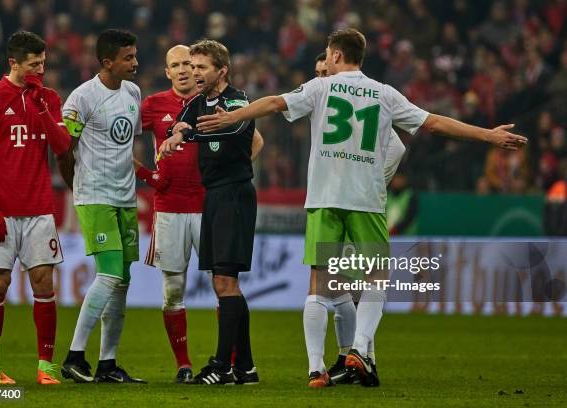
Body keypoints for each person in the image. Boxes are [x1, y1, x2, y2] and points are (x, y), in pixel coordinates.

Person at [194, 28, 527, 387]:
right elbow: (434, 124)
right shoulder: (384, 93)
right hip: (366, 199)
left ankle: (315, 367)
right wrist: (487, 135)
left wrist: (232, 116)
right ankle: (361, 347)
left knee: (320, 284)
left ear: (336, 55)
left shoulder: (320, 87)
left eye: (327, 52)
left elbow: (275, 103)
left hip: (324, 198)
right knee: (375, 279)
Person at [135, 45, 264, 383]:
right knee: (226, 283)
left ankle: (222, 367)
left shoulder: (238, 100)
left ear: (221, 70)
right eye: (190, 66)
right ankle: (245, 368)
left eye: (201, 67)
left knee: (224, 282)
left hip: (234, 195)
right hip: (215, 198)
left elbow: (234, 129)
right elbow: (180, 124)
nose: (193, 73)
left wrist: (188, 134)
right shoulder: (196, 102)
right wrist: (174, 136)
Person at [0, 31, 70, 385]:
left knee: (44, 284)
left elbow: (61, 146)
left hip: (39, 206)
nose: (40, 70)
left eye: (43, 63)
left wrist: (41, 106)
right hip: (2, 209)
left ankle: (46, 366)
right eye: (33, 65)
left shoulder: (50, 99)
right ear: (13, 63)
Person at [314, 51, 406, 384]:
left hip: (356, 204)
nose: (320, 78)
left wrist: (372, 182)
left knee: (352, 285)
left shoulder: (353, 104)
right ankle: (354, 358)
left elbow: (396, 146)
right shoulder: (324, 103)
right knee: (341, 286)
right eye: (317, 73)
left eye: (323, 71)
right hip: (336, 202)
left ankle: (361, 359)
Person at [59, 29, 145, 384]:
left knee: (121, 281)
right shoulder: (81, 98)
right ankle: (74, 357)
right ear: (107, 62)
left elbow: (126, 147)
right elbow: (64, 150)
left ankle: (108, 363)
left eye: (135, 56)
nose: (136, 63)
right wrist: (78, 187)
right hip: (95, 196)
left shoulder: (133, 93)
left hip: (125, 198)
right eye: (128, 58)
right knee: (109, 274)